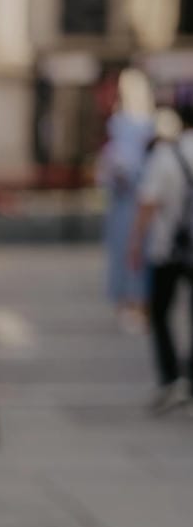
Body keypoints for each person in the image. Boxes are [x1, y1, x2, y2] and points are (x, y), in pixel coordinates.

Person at [129, 103, 193, 414]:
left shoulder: (166, 155)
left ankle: (170, 378)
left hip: (166, 248)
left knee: (160, 314)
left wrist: (135, 243)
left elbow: (148, 203)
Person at [98, 68, 155, 332]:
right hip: (123, 203)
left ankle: (139, 303)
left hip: (139, 201)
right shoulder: (119, 125)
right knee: (124, 253)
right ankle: (125, 302)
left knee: (139, 253)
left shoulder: (146, 126)